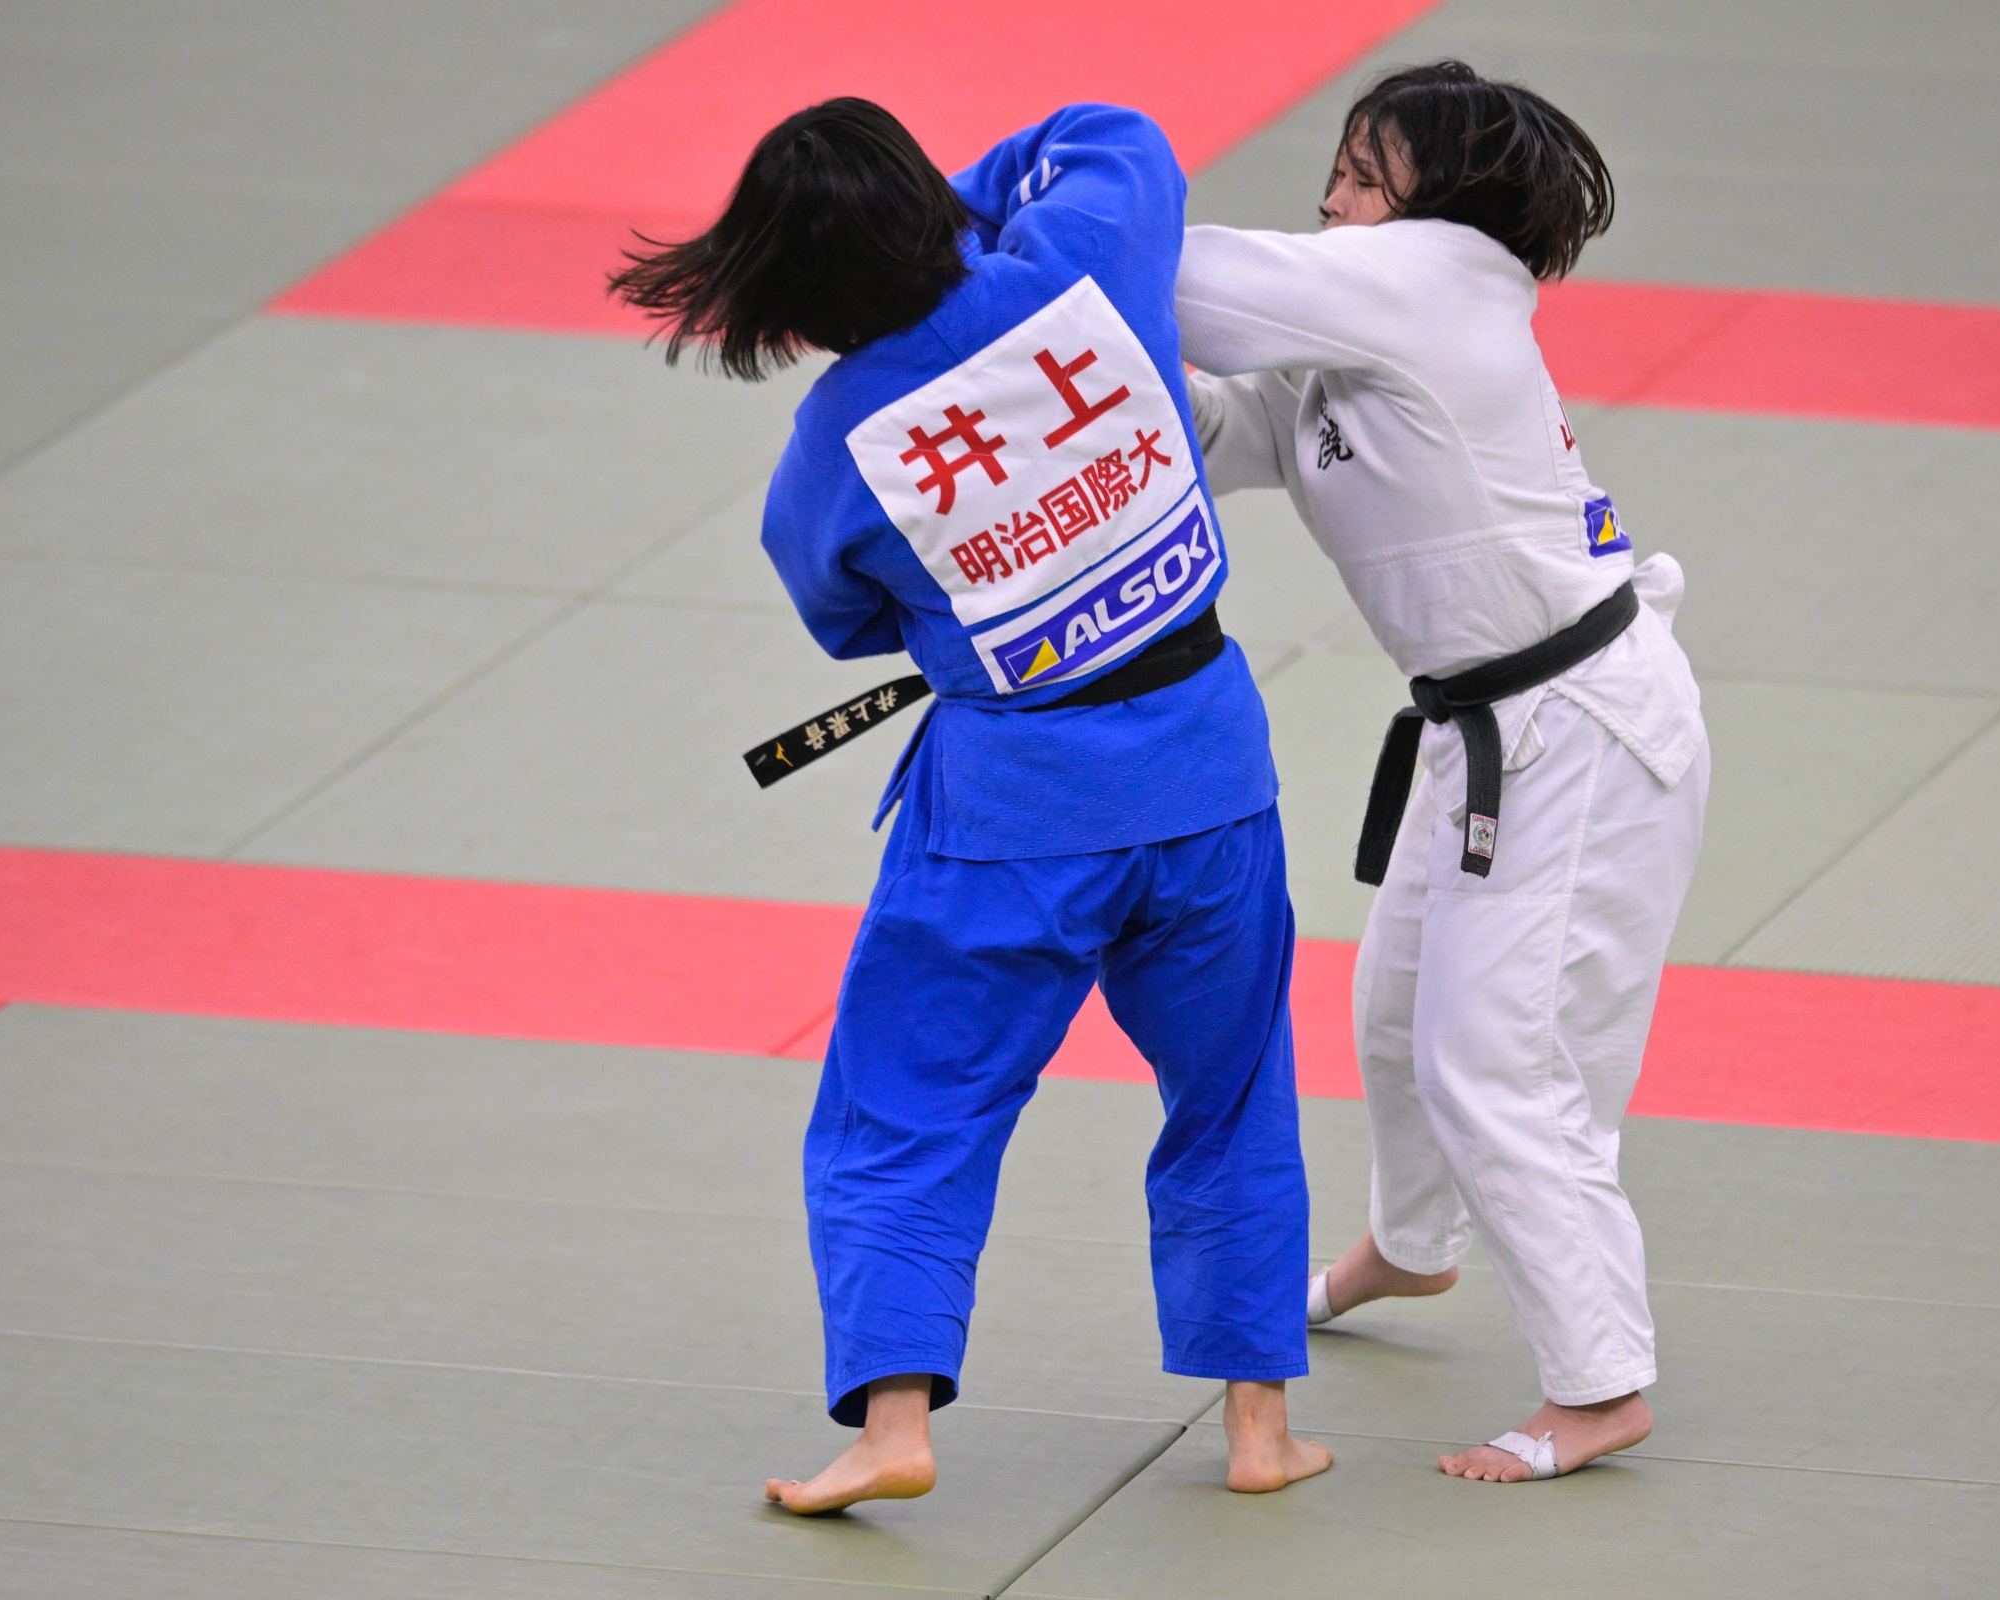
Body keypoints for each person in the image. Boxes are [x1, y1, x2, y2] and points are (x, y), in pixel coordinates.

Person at [612, 97, 1330, 1511]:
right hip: (1205, 777)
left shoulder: (835, 444)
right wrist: (943, 211)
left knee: (909, 1107)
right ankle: (1260, 1432)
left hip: (1010, 819)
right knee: (1234, 1092)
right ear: (922, 203)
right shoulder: (1082, 263)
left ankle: (894, 1425)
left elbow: (841, 616)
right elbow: (1116, 134)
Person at [1175, 61, 1708, 1484]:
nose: (1333, 194)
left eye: (1367, 173)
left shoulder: (1435, 284)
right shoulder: (1356, 337)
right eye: (1339, 166)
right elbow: (1225, 424)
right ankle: (1413, 1248)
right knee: (1398, 1012)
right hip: (1487, 729)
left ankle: (1600, 1385)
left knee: (1501, 1062)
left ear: (1445, 204)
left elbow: (1190, 283)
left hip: (1581, 732)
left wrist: (1030, 223)